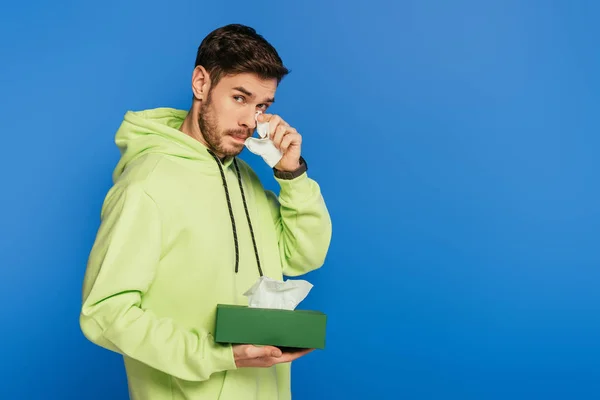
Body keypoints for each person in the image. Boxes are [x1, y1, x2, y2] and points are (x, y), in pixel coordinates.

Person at [79, 24, 332, 399]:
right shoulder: (147, 185)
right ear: (201, 84)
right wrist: (216, 355)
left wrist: (290, 174)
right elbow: (105, 312)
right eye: (240, 98)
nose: (250, 121)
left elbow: (303, 256)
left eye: (262, 106)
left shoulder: (247, 179)